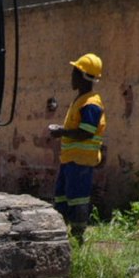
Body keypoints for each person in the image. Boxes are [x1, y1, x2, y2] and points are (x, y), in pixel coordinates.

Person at [47, 52, 105, 239]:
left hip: (80, 163)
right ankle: (62, 237)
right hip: (70, 161)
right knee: (63, 198)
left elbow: (86, 132)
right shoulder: (81, 100)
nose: (71, 76)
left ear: (82, 76)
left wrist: (61, 132)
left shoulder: (91, 104)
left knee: (77, 200)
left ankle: (78, 238)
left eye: (74, 72)